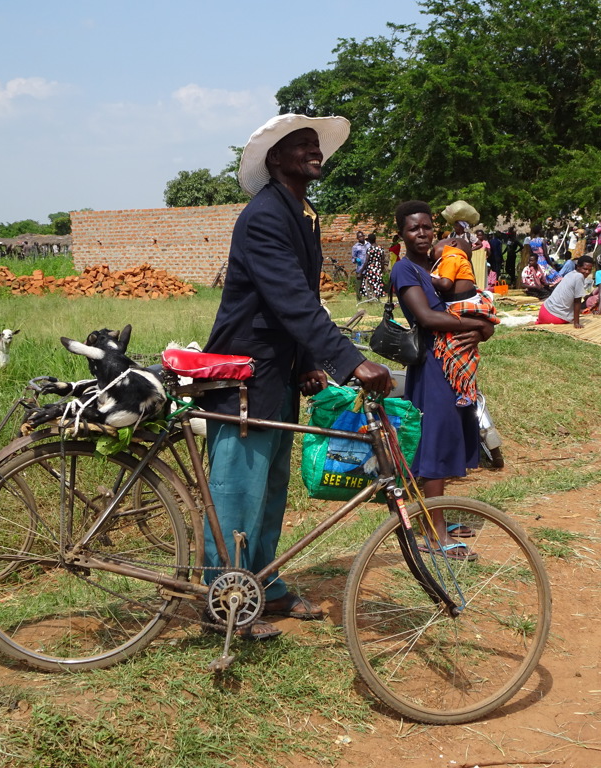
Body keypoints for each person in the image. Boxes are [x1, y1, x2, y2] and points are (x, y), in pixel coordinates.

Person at [202, 114, 392, 639]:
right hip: (247, 373)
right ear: (276, 160)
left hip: (278, 372)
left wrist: (311, 361)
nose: (314, 151)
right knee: (238, 489)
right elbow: (290, 302)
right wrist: (350, 361)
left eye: (316, 145)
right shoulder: (265, 216)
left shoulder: (301, 212)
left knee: (269, 488)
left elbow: (299, 304)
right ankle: (223, 598)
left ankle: (264, 582)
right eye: (301, 145)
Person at [390, 201, 495, 559]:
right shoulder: (405, 270)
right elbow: (427, 317)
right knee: (434, 446)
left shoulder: (435, 265)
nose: (422, 233)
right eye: (413, 228)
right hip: (434, 367)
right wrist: (480, 325)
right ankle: (434, 536)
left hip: (452, 363)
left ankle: (437, 519)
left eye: (427, 227)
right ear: (401, 234)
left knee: (447, 439)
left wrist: (483, 330)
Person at [428, 237, 500, 406]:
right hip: (464, 305)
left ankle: (466, 389)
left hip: (463, 307)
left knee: (462, 347)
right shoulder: (458, 260)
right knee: (466, 348)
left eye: (436, 245)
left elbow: (445, 284)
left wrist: (427, 278)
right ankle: (466, 387)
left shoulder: (452, 258)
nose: (433, 248)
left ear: (451, 244)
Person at [537, 256, 594, 327]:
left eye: (589, 270)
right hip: (553, 316)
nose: (587, 272)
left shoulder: (571, 274)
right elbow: (577, 301)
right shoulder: (579, 277)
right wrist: (576, 323)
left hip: (544, 311)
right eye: (585, 269)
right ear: (578, 267)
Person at [360, 233, 386, 299]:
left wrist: (361, 271)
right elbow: (383, 260)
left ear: (369, 240)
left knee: (370, 283)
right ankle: (377, 297)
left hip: (371, 268)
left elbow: (366, 261)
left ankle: (371, 297)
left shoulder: (369, 249)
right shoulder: (380, 248)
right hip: (378, 268)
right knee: (377, 282)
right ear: (375, 239)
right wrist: (382, 269)